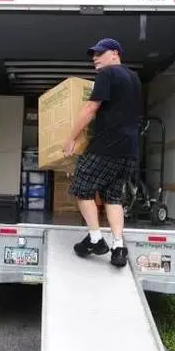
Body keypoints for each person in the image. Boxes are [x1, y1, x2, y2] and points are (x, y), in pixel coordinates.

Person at [62, 38, 142, 267]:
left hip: (107, 146)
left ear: (115, 53)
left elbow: (91, 108)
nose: (95, 59)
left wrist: (71, 138)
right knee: (113, 196)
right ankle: (118, 247)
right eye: (93, 55)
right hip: (129, 150)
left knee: (81, 186)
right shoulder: (134, 78)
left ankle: (96, 239)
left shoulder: (107, 74)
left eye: (100, 53)